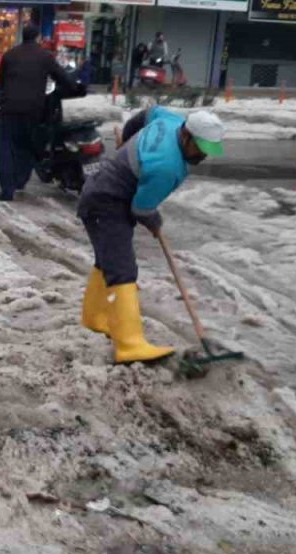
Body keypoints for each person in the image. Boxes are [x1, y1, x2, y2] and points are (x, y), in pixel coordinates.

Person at [78, 107, 226, 363]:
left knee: (107, 261)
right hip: (106, 202)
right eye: (199, 148)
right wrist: (154, 221)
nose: (202, 155)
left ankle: (94, 318)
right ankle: (130, 346)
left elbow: (146, 114)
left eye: (207, 151)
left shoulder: (170, 121)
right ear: (186, 136)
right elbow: (142, 209)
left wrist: (128, 139)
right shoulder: (166, 167)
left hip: (101, 192)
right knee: (122, 270)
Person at [0, 23, 78, 201]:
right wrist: (75, 88)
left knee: (6, 149)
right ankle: (19, 181)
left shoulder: (9, 55)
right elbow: (62, 77)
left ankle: (7, 189)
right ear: (38, 37)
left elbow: (1, 82)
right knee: (28, 147)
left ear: (22, 36)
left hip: (9, 109)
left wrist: (5, 97)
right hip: (33, 111)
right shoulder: (44, 56)